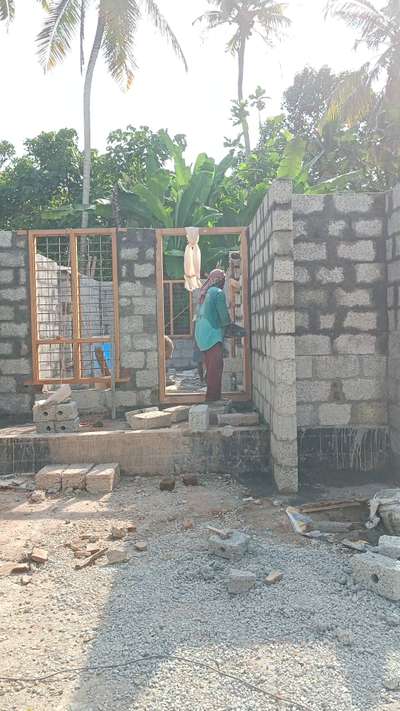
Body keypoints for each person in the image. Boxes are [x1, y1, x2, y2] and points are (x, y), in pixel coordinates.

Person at [195, 269, 231, 402]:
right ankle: (212, 399)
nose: (223, 282)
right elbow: (224, 316)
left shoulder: (204, 292)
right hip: (212, 334)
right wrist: (229, 326)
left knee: (210, 367)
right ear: (220, 280)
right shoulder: (218, 293)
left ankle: (213, 396)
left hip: (200, 334)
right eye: (223, 280)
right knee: (215, 367)